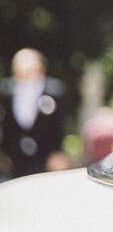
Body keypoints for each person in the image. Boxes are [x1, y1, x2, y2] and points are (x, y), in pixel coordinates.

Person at [0, 48, 69, 179]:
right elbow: (6, 123)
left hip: (46, 158)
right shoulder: (7, 92)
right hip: (14, 160)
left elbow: (61, 123)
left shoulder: (54, 91)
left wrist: (58, 152)